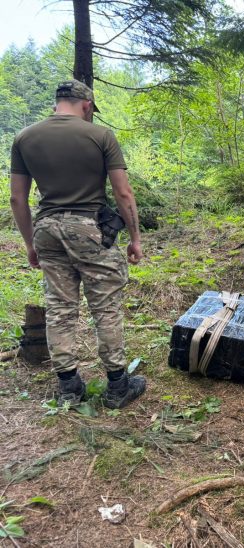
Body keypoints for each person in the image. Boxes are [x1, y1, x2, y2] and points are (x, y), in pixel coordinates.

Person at [9, 79, 146, 409]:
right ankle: (118, 386)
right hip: (89, 229)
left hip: (46, 230)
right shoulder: (100, 136)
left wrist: (30, 244)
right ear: (86, 105)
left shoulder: (24, 137)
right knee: (105, 307)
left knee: (60, 308)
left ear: (57, 103)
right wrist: (135, 239)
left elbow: (17, 199)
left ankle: (69, 386)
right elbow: (123, 192)